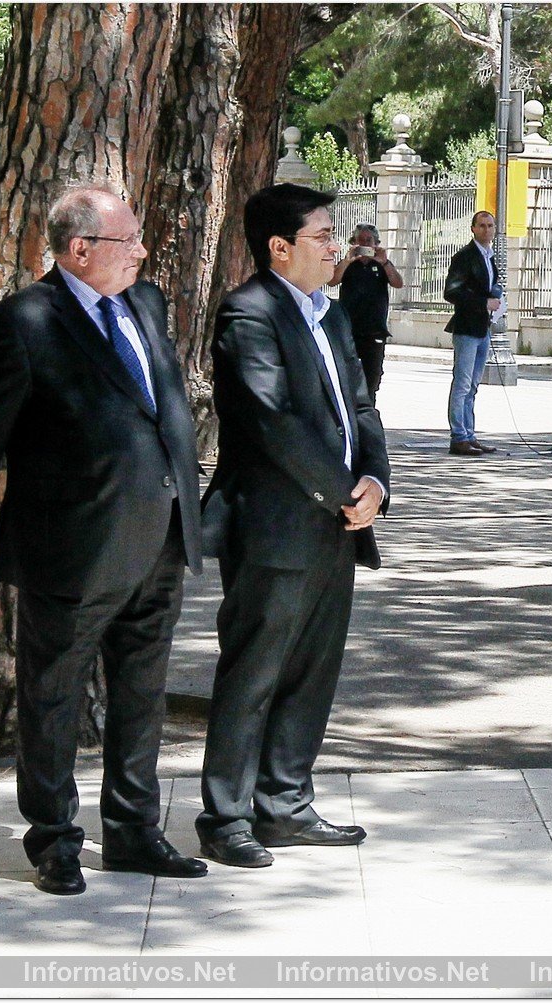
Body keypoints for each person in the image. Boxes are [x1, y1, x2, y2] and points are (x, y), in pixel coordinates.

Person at [0, 186, 207, 896]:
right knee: (53, 697)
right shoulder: (24, 321)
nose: (142, 250)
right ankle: (54, 839)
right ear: (80, 250)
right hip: (70, 547)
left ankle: (134, 830)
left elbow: (158, 404)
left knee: (142, 692)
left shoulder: (146, 303)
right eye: (127, 239)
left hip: (161, 537)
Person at [198, 184, 390, 868]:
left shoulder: (331, 316)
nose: (336, 245)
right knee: (254, 669)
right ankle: (226, 815)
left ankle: (284, 803)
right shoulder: (247, 314)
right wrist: (343, 490)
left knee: (312, 670)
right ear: (279, 247)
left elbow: (361, 406)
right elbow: (272, 419)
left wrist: (376, 484)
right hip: (276, 526)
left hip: (337, 524)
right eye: (322, 235)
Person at [441, 210, 502, 455]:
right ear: (473, 229)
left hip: (482, 328)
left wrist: (495, 295)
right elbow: (451, 292)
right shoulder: (465, 257)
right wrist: (482, 302)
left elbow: (487, 286)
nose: (487, 230)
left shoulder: (489, 257)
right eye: (482, 226)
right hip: (466, 328)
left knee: (474, 385)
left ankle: (470, 433)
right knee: (463, 384)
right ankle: (459, 436)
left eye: (490, 226)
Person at [329, 222, 402, 396]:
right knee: (347, 380)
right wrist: (347, 260)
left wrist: (384, 262)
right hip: (348, 331)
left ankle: (367, 418)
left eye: (368, 241)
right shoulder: (348, 263)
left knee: (371, 382)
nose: (364, 245)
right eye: (359, 240)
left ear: (376, 243)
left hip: (374, 332)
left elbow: (398, 283)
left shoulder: (382, 265)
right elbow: (332, 280)